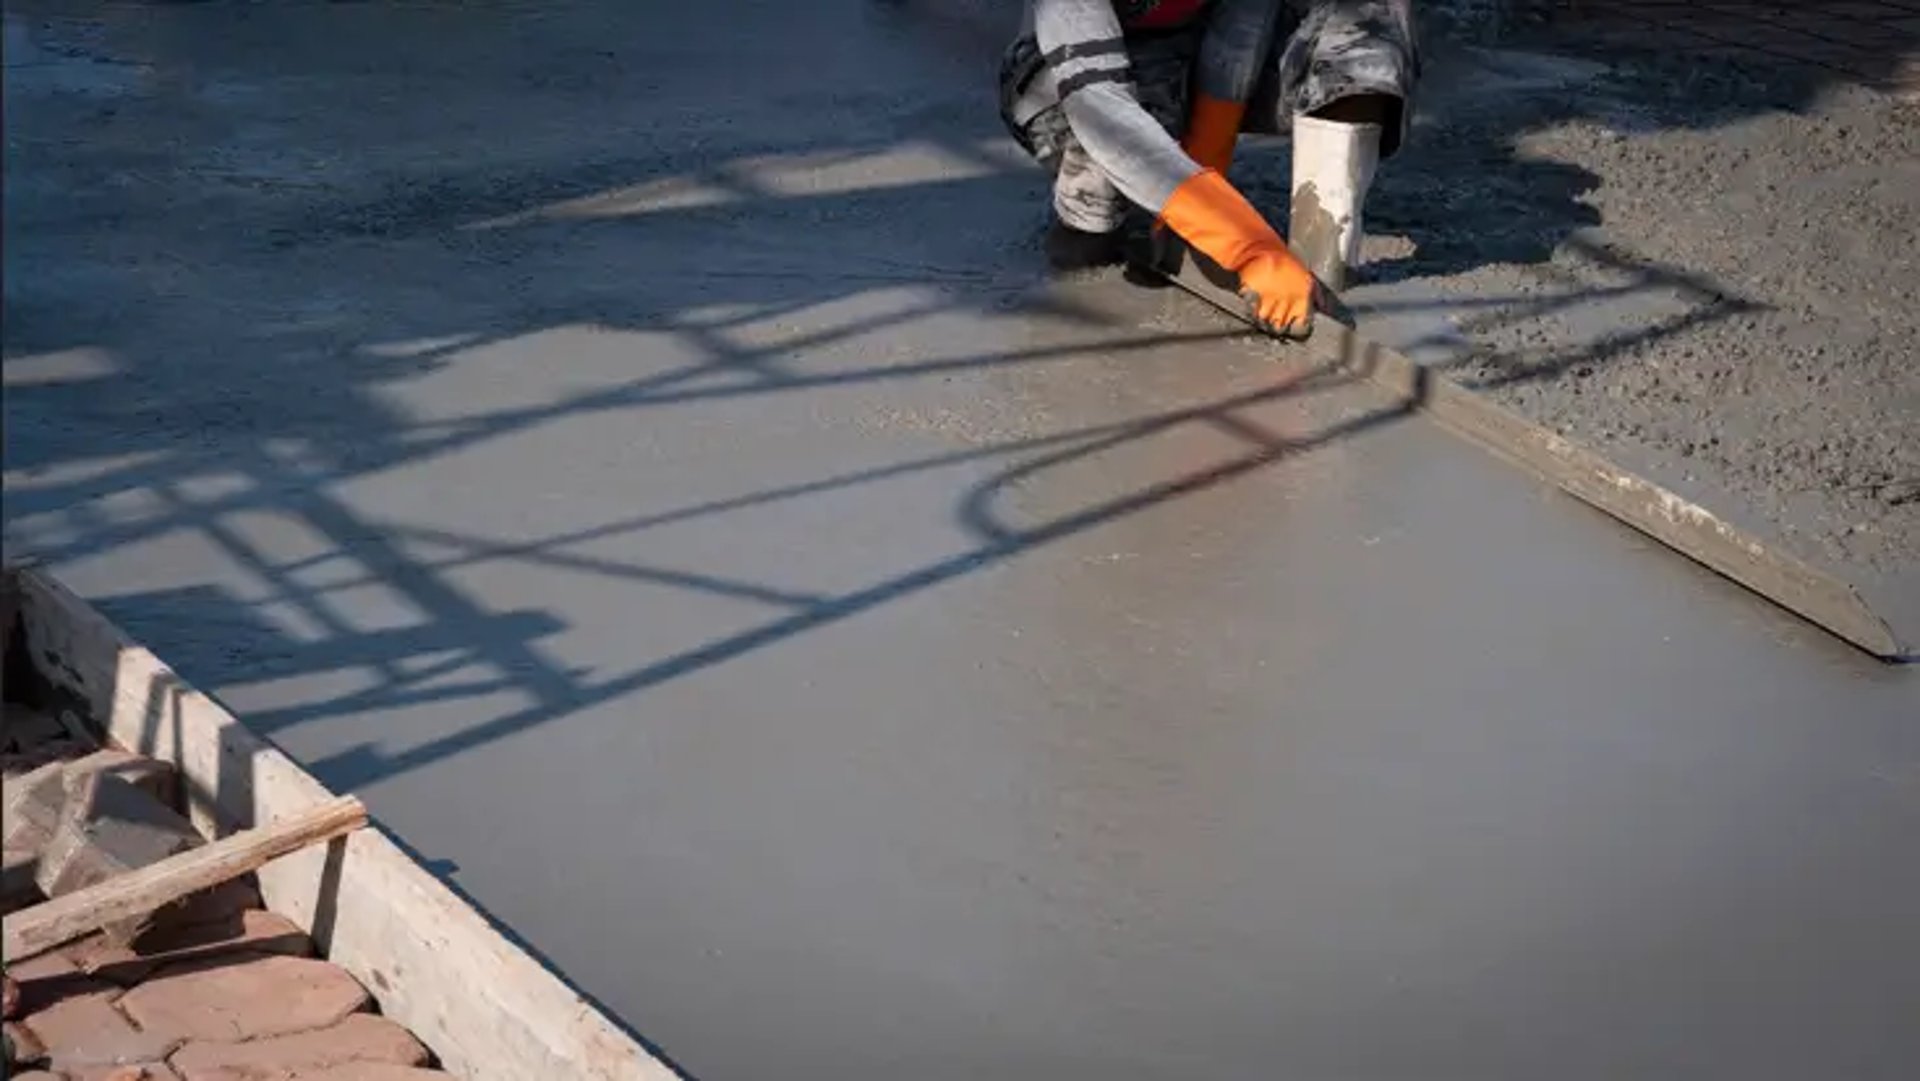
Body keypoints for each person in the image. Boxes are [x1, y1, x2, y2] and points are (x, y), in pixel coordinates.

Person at [999, 0, 1420, 338]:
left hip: (1192, 48)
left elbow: (1241, 30)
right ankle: (1084, 219)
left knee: (1366, 24)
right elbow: (1102, 112)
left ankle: (1319, 274)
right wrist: (1246, 245)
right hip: (1080, 80)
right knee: (1101, 194)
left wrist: (1208, 158)